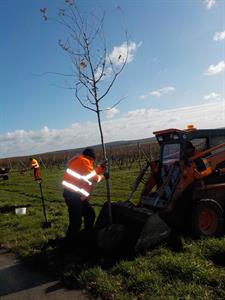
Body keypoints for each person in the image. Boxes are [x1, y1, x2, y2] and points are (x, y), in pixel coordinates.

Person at [62, 147, 106, 245]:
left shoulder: (81, 160)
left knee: (90, 215)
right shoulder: (84, 161)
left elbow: (88, 174)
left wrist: (100, 168)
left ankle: (86, 237)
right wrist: (104, 176)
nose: (93, 162)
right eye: (93, 160)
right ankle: (68, 245)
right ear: (91, 157)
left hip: (76, 196)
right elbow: (93, 177)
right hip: (73, 196)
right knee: (76, 222)